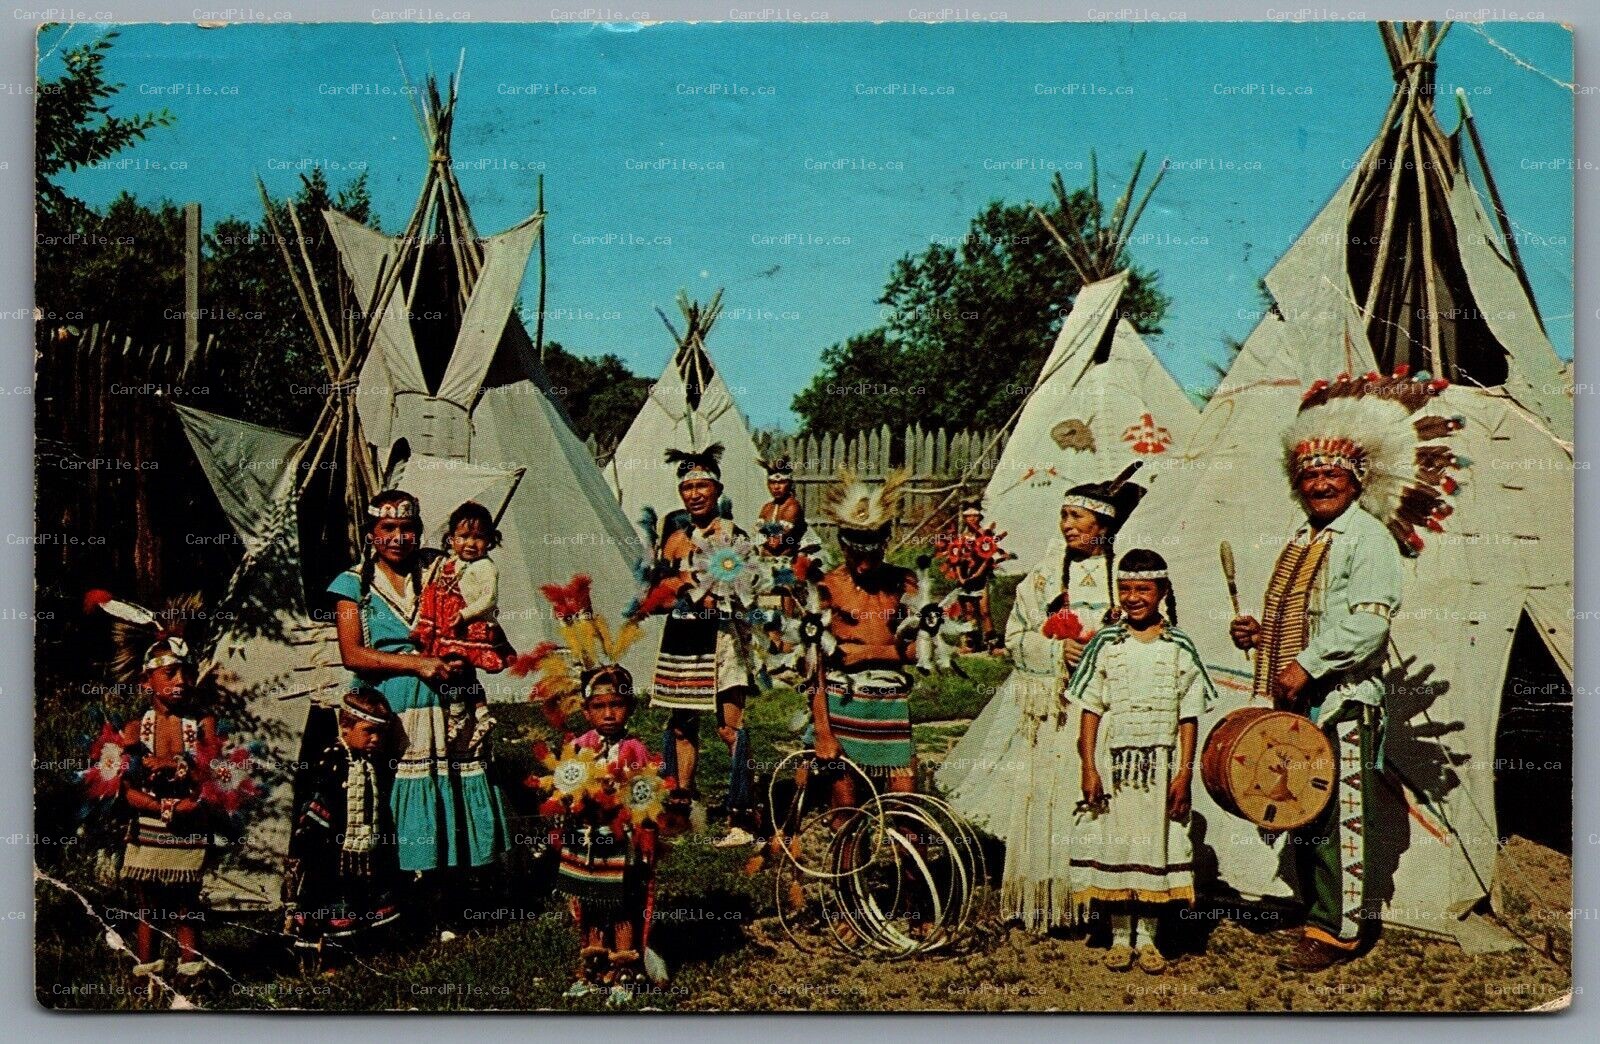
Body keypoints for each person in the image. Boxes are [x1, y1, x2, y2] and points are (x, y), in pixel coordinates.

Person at [1227, 369, 1461, 971]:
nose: (1320, 484)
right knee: (1302, 806)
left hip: (1344, 701)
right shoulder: (1306, 537)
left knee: (1340, 814)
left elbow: (1368, 625)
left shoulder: (1365, 538)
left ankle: (1341, 930)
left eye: (1332, 475)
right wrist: (1261, 636)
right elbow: (1305, 618)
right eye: (1310, 477)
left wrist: (1307, 664)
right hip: (1303, 699)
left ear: (1356, 480)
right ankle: (1316, 913)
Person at [936, 466, 1145, 932]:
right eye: (1063, 516)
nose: (1067, 525)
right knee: (1052, 794)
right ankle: (1050, 894)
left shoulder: (1126, 577)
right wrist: (1055, 650)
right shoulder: (1045, 578)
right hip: (1053, 708)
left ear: (1103, 525)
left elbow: (1154, 632)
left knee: (1100, 795)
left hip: (1107, 709)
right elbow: (1015, 638)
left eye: (1077, 517)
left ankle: (1100, 897)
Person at [327, 489, 508, 898]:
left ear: (420, 531)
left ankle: (456, 887)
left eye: (407, 528)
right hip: (390, 705)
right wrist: (418, 664)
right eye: (387, 527)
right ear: (371, 533)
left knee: (453, 783)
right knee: (391, 791)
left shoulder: (441, 568)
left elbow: (482, 604)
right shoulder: (352, 585)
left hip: (448, 698)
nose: (398, 537)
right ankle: (402, 892)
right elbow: (352, 654)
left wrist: (465, 651)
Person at [1067, 549, 1217, 973]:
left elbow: (1189, 716)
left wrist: (1184, 774)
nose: (1133, 598)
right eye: (1126, 589)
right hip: (1115, 765)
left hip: (1161, 765)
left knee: (1155, 842)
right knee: (1117, 840)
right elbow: (1090, 710)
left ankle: (1148, 937)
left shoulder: (1179, 645)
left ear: (1162, 591)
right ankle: (1119, 935)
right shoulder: (1106, 643)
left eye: (1143, 589)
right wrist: (1089, 767)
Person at [637, 443, 761, 847]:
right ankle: (682, 810)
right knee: (682, 725)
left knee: (729, 727)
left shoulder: (732, 536)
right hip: (683, 638)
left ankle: (743, 814)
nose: (694, 494)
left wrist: (695, 589)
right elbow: (658, 591)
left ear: (717, 489)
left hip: (721, 638)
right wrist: (685, 587)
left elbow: (739, 590)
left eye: (701, 486)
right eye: (687, 488)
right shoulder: (675, 539)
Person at [102, 598, 219, 995]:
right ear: (146, 681)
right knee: (148, 904)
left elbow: (215, 775)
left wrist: (178, 771)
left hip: (190, 823)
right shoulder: (135, 728)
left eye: (187, 672)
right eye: (170, 673)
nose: (181, 681)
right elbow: (125, 790)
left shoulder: (202, 722)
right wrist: (162, 805)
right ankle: (147, 974)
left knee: (187, 902)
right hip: (148, 825)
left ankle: (191, 973)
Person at [541, 665, 661, 1006]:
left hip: (620, 843)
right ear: (586, 710)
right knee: (590, 903)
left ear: (630, 707)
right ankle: (594, 966)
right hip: (584, 840)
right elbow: (562, 788)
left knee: (620, 904)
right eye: (599, 706)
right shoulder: (577, 747)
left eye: (616, 705)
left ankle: (624, 969)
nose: (608, 714)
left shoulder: (635, 750)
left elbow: (647, 795)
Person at [811, 469, 919, 808]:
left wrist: (868, 653)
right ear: (842, 545)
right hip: (840, 702)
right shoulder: (827, 586)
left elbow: (920, 651)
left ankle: (902, 846)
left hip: (891, 702)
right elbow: (813, 667)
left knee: (904, 806)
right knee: (845, 810)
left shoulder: (903, 583)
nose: (862, 567)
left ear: (885, 545)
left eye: (871, 557)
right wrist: (822, 731)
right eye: (855, 556)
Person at [283, 687, 403, 960]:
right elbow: (316, 809)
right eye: (368, 731)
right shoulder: (331, 762)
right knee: (332, 903)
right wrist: (312, 848)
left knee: (368, 898)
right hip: (332, 855)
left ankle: (367, 950)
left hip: (367, 850)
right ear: (345, 726)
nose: (375, 739)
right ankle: (329, 960)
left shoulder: (373, 763)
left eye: (380, 733)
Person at [413, 501, 510, 758]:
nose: (470, 543)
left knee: (458, 668)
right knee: (459, 673)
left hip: (470, 625)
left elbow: (489, 598)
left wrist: (465, 614)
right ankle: (479, 712)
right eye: (463, 537)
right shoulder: (451, 562)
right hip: (452, 626)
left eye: (479, 538)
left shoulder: (485, 567)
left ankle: (461, 711)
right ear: (451, 539)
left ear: (490, 541)